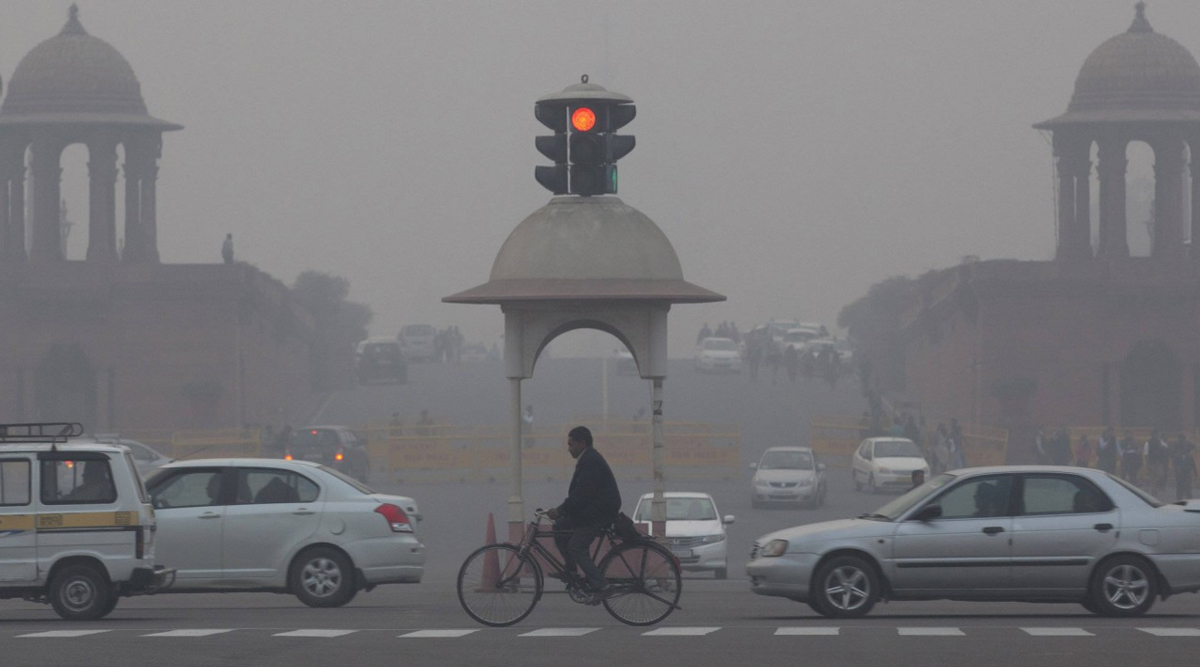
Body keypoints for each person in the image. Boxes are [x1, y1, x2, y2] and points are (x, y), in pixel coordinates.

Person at [545, 426, 621, 604]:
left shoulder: (591, 460)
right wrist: (562, 512)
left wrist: (561, 509)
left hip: (599, 513)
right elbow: (580, 494)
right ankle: (571, 570)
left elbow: (582, 493)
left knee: (576, 547)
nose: (568, 448)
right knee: (560, 526)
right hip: (592, 510)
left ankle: (602, 585)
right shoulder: (587, 458)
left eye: (571, 444)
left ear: (582, 443)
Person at [1171, 433, 1197, 500]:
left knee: (1188, 485)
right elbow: (1174, 464)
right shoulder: (1176, 456)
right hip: (1180, 472)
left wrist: (1195, 473)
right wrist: (1176, 470)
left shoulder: (1189, 456)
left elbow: (1193, 464)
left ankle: (1189, 497)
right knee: (1180, 485)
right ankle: (1179, 497)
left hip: (1187, 472)